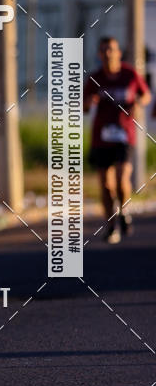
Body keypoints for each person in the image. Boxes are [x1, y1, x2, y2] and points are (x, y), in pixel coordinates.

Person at [83, 36, 151, 244]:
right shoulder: (95, 78)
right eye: (103, 50)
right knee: (105, 184)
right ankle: (111, 225)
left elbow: (146, 94)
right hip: (102, 137)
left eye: (111, 49)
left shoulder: (129, 74)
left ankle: (124, 210)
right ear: (99, 54)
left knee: (122, 178)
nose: (107, 53)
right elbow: (84, 107)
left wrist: (139, 102)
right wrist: (90, 101)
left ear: (118, 53)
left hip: (124, 133)